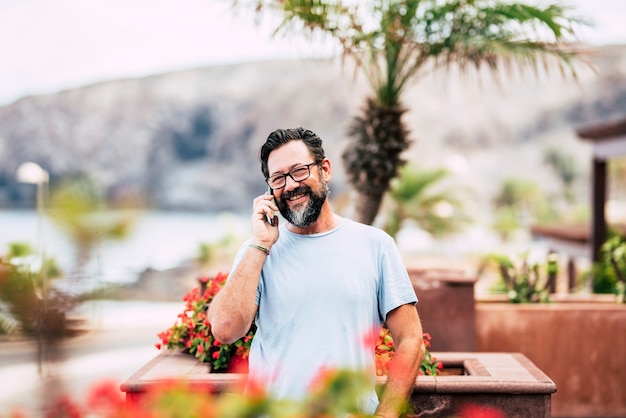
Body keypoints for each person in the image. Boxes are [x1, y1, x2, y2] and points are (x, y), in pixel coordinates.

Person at [208, 127, 424, 417]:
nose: (291, 185)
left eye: (299, 171)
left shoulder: (376, 245)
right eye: (278, 178)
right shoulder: (258, 252)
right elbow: (224, 330)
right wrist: (260, 244)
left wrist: (386, 415)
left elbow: (410, 340)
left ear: (325, 169)